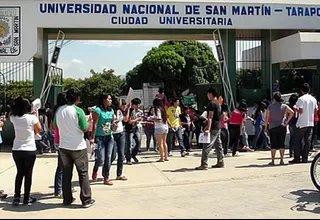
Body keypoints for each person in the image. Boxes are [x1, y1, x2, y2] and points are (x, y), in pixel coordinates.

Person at [54, 88, 95, 208]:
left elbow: (55, 125)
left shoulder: (59, 110)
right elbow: (84, 128)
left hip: (63, 146)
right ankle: (86, 199)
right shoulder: (78, 111)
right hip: (77, 145)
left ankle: (67, 198)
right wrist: (90, 123)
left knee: (67, 173)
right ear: (78, 98)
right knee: (83, 173)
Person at [10, 97, 41, 205]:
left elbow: (12, 111)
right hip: (29, 149)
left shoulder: (13, 117)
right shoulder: (32, 118)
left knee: (19, 173)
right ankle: (26, 197)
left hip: (17, 149)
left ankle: (16, 196)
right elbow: (38, 130)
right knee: (28, 174)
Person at [195, 88, 224, 170]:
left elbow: (210, 117)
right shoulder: (218, 103)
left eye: (208, 94)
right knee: (218, 145)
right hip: (218, 126)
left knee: (206, 146)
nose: (207, 96)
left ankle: (204, 164)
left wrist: (208, 128)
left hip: (213, 127)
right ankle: (220, 161)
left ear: (210, 94)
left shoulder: (211, 104)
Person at [90, 94, 115, 185]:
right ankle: (95, 168)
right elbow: (95, 124)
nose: (110, 100)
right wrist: (92, 137)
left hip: (109, 136)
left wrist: (114, 125)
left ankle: (106, 177)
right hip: (99, 137)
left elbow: (112, 122)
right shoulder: (97, 110)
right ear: (104, 100)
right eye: (109, 99)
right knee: (100, 158)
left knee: (108, 157)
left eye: (111, 99)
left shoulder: (111, 110)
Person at [290, 83, 318, 164]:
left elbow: (300, 110)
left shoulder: (301, 99)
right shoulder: (313, 99)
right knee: (307, 141)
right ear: (309, 90)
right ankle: (305, 158)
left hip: (302, 122)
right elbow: (316, 110)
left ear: (301, 91)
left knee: (297, 140)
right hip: (310, 122)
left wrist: (295, 108)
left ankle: (297, 158)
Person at [265, 92, 294, 165]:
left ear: (274, 98)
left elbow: (267, 118)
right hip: (282, 126)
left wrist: (266, 127)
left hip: (272, 127)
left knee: (273, 144)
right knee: (281, 143)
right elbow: (292, 112)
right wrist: (287, 122)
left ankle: (273, 160)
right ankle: (281, 160)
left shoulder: (270, 107)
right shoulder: (284, 106)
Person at [111, 97, 127, 181]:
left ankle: (119, 174)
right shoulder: (110, 111)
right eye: (120, 102)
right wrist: (113, 122)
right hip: (113, 134)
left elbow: (125, 119)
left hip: (121, 133)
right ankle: (105, 172)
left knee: (121, 154)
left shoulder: (120, 111)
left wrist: (127, 109)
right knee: (112, 155)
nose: (122, 104)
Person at [123, 98, 143, 165]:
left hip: (135, 128)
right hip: (129, 130)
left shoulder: (134, 110)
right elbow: (129, 121)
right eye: (137, 105)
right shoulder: (128, 110)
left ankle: (133, 154)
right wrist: (137, 119)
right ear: (133, 105)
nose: (138, 106)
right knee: (129, 145)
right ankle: (128, 159)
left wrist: (137, 121)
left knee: (138, 142)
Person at [288, 93, 299, 157]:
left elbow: (287, 115)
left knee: (292, 138)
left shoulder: (289, 106)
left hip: (291, 122)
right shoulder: (296, 106)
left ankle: (291, 152)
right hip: (296, 122)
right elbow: (296, 115)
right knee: (297, 138)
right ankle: (296, 151)